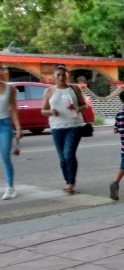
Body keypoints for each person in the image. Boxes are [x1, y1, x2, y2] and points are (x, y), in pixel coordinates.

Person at [41, 64, 89, 195]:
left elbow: (85, 105)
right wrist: (51, 111)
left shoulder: (74, 89)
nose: (61, 77)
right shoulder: (49, 91)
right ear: (53, 77)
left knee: (69, 154)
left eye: (64, 74)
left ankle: (71, 183)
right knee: (62, 158)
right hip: (57, 127)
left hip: (74, 125)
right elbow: (43, 111)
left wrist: (77, 108)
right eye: (58, 75)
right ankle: (67, 180)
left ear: (67, 75)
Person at [0, 63, 22, 200]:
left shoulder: (10, 88)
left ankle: (10, 187)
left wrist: (18, 128)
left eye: (1, 70)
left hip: (5, 125)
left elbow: (13, 109)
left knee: (5, 158)